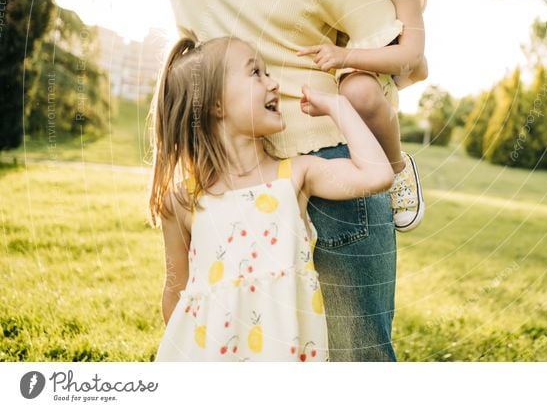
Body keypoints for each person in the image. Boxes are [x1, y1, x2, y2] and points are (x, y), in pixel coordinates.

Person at [166, 0, 404, 360]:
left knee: (241, 345)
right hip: (335, 169)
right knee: (356, 359)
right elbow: (397, 55)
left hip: (230, 183)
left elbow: (202, 63)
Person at [150, 36, 394, 362]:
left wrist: (339, 106)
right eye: (256, 73)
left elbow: (377, 175)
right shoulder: (183, 200)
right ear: (214, 104)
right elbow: (175, 291)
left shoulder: (294, 176)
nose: (274, 84)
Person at [297, 0, 450, 233]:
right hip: (331, 66)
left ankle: (398, 169)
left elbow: (410, 54)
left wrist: (346, 55)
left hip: (372, 67)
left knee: (360, 92)